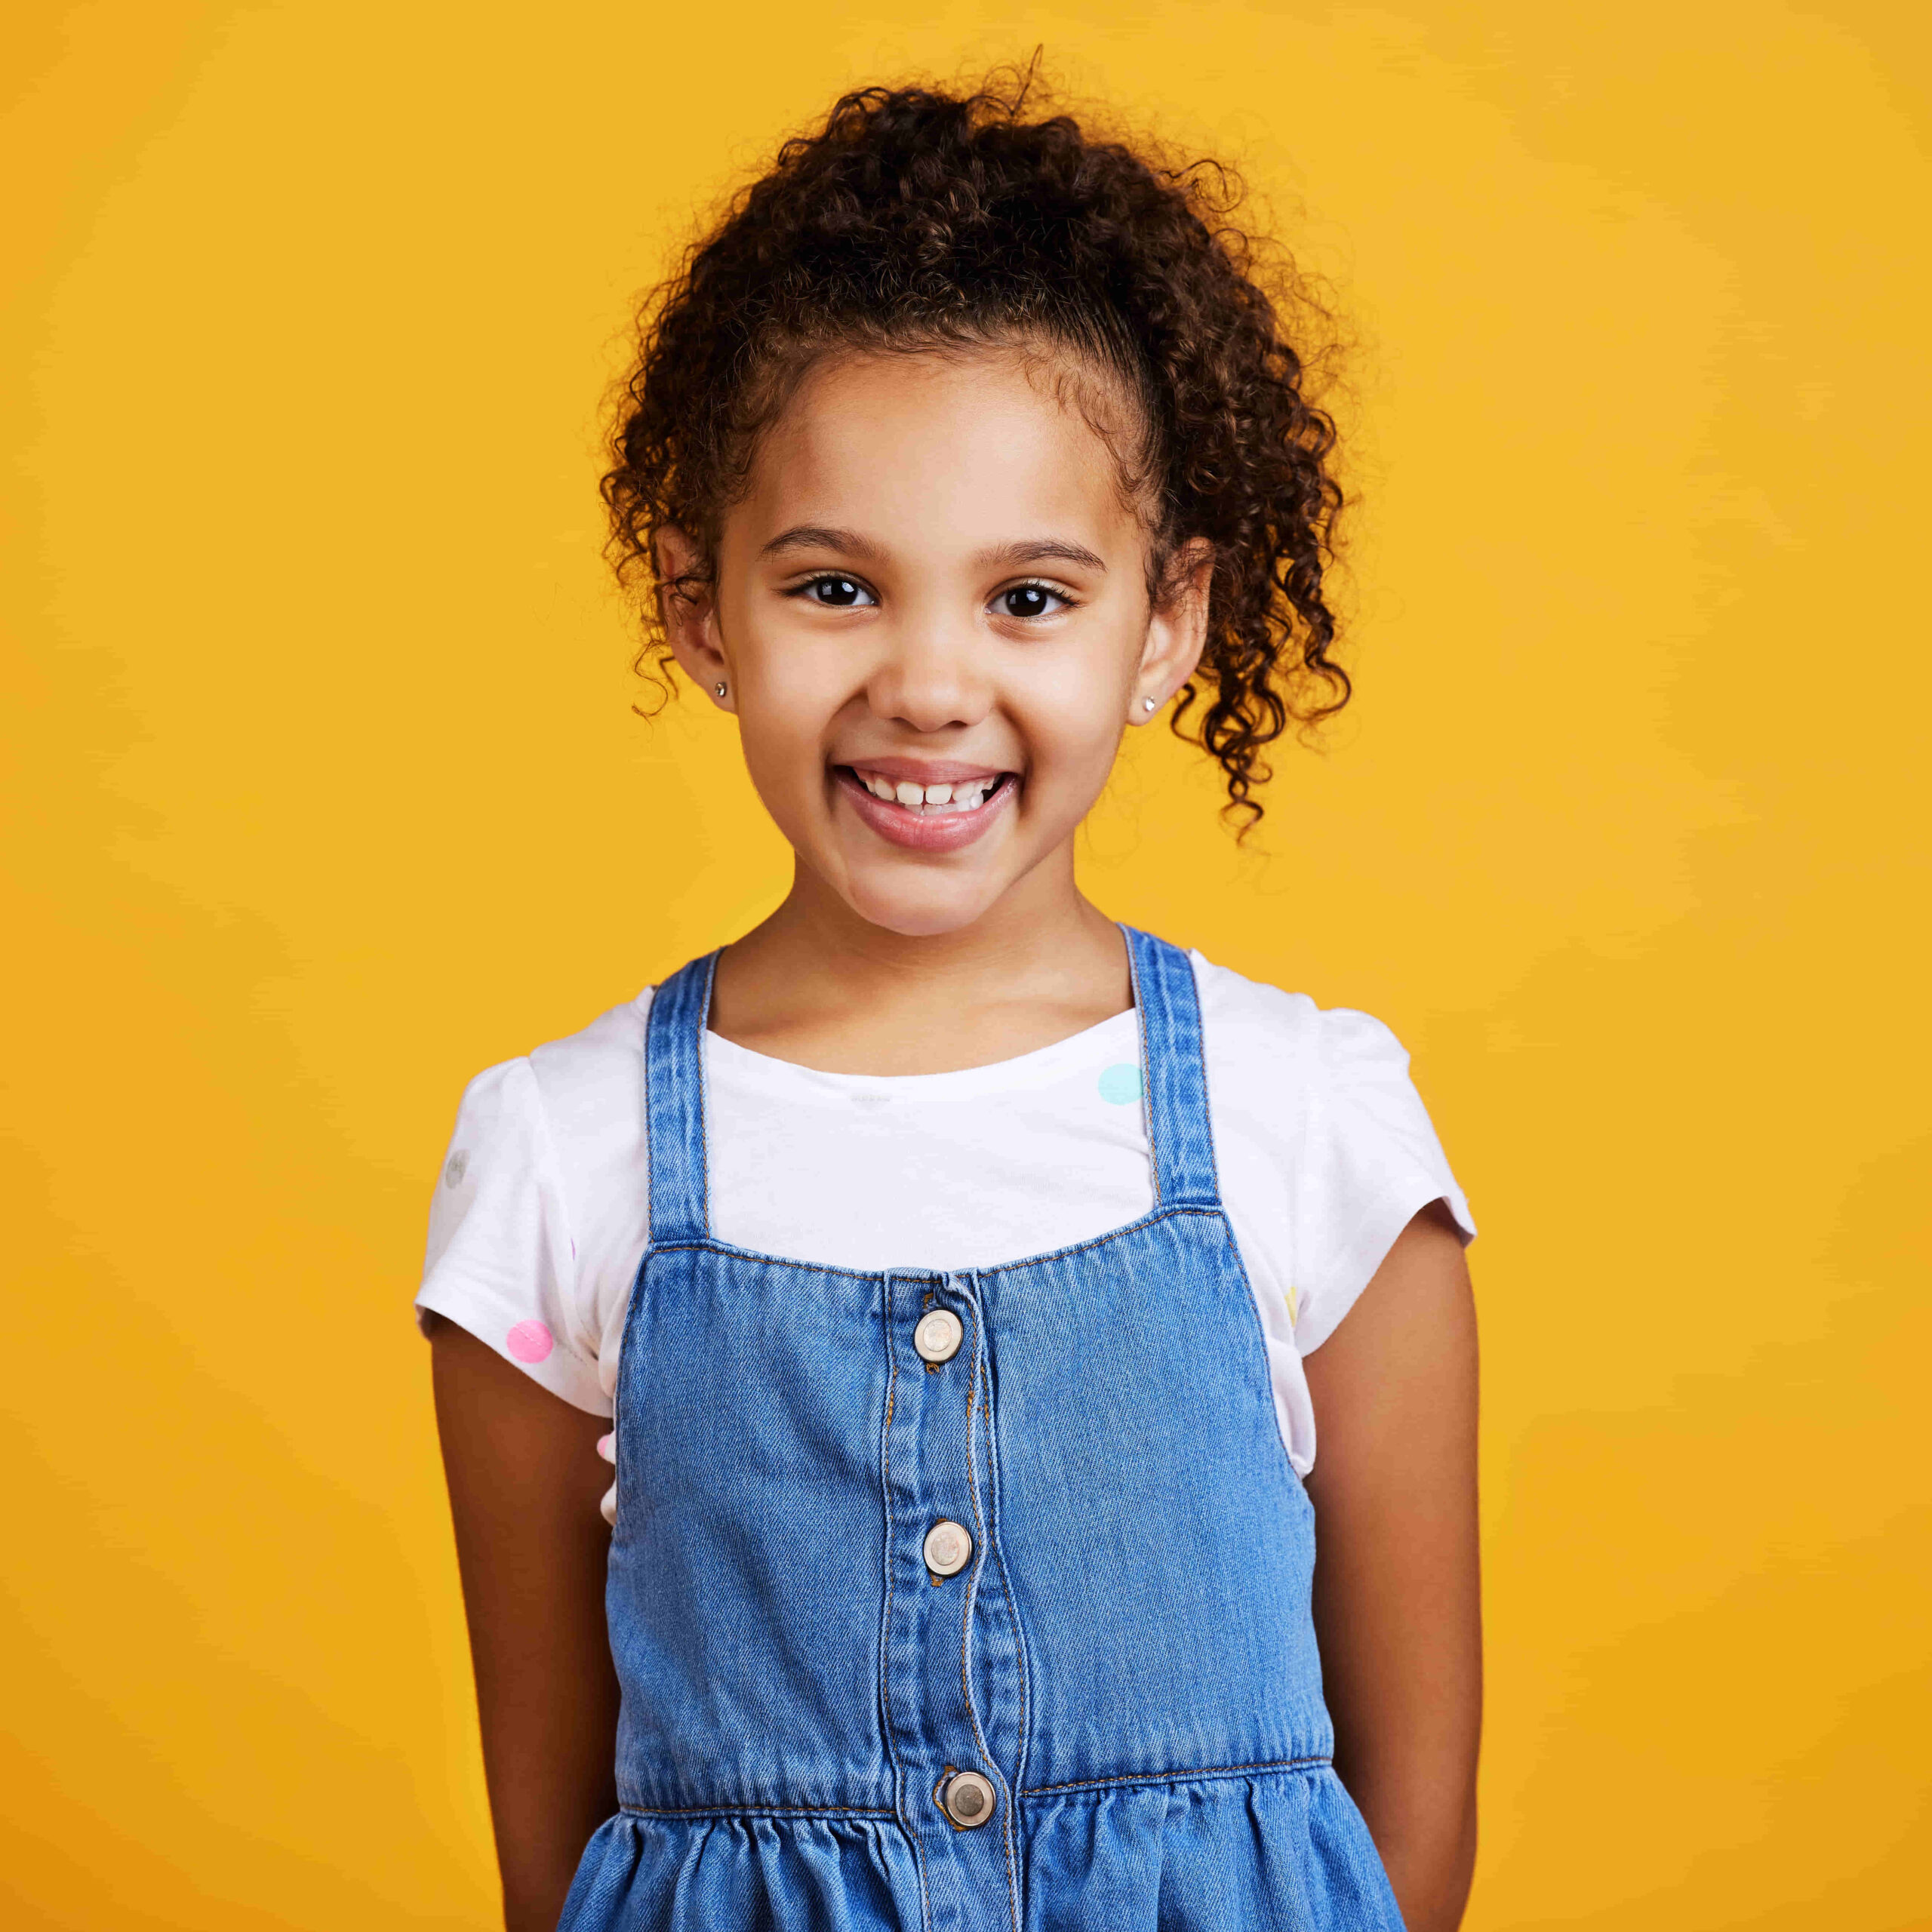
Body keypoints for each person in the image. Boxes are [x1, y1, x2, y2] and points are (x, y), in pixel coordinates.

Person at [419, 71, 1481, 1932]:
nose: (927, 682)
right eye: (836, 585)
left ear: (1163, 622)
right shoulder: (555, 1154)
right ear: (698, 606)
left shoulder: (1306, 1117)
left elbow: (1413, 1813)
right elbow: (565, 1856)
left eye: (1028, 598)